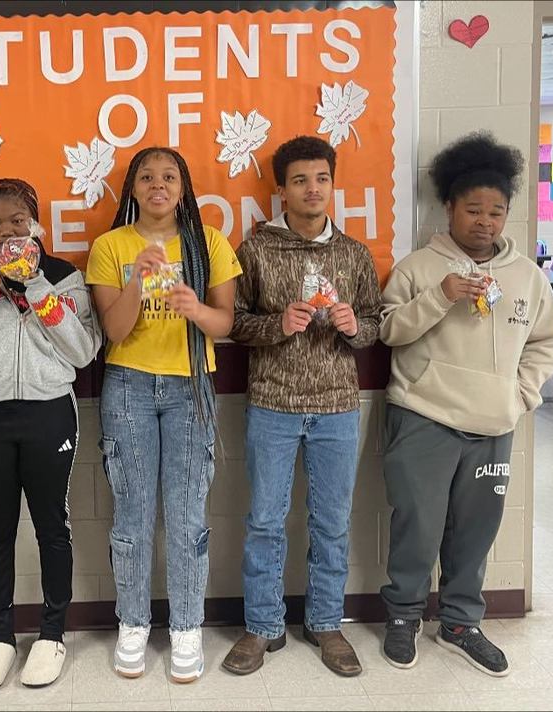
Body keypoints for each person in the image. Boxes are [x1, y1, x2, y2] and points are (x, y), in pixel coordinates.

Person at [378, 132, 553, 676]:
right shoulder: (417, 267)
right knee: (418, 523)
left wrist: (519, 393)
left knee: (478, 527)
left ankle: (459, 621)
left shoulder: (528, 277)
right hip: (423, 416)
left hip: (493, 422)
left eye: (496, 212)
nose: (485, 221)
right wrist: (442, 295)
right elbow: (389, 330)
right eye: (474, 209)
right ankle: (404, 617)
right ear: (450, 208)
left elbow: (544, 343)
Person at [223, 135, 381, 678]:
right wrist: (275, 325)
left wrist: (356, 327)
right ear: (281, 190)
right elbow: (234, 322)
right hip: (272, 404)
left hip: (338, 406)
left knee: (331, 523)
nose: (312, 189)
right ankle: (262, 626)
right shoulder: (257, 248)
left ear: (332, 185)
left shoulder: (354, 254)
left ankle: (326, 621)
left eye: (321, 179)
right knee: (265, 521)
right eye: (299, 180)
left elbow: (375, 326)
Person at [0, 178, 100, 690]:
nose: (8, 230)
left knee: (53, 526)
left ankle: (52, 633)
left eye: (18, 221)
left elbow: (82, 351)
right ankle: (1, 636)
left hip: (49, 413)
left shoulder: (64, 276)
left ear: (35, 222)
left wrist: (36, 289)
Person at [86, 147, 241, 684]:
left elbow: (225, 324)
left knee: (186, 511)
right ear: (132, 189)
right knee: (131, 510)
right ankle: (132, 622)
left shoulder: (210, 243)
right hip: (128, 386)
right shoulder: (111, 245)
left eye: (169, 177)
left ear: (183, 188)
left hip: (190, 386)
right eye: (147, 177)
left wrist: (195, 308)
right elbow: (114, 331)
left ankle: (186, 627)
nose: (158, 185)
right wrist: (137, 280)